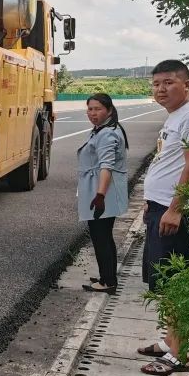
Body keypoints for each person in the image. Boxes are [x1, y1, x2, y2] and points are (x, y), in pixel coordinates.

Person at [138, 60, 189, 376]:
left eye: (168, 82)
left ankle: (182, 353)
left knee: (177, 284)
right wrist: (152, 202)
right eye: (156, 83)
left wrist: (175, 209)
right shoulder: (178, 116)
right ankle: (170, 340)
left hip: (177, 213)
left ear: (187, 85)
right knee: (165, 282)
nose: (160, 89)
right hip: (162, 207)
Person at [77, 93, 129, 293]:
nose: (92, 113)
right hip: (101, 191)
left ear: (109, 110)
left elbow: (106, 166)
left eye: (97, 109)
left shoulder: (107, 133)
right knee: (103, 236)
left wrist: (99, 196)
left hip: (102, 193)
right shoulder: (104, 129)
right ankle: (106, 276)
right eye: (90, 109)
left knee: (101, 237)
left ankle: (108, 282)